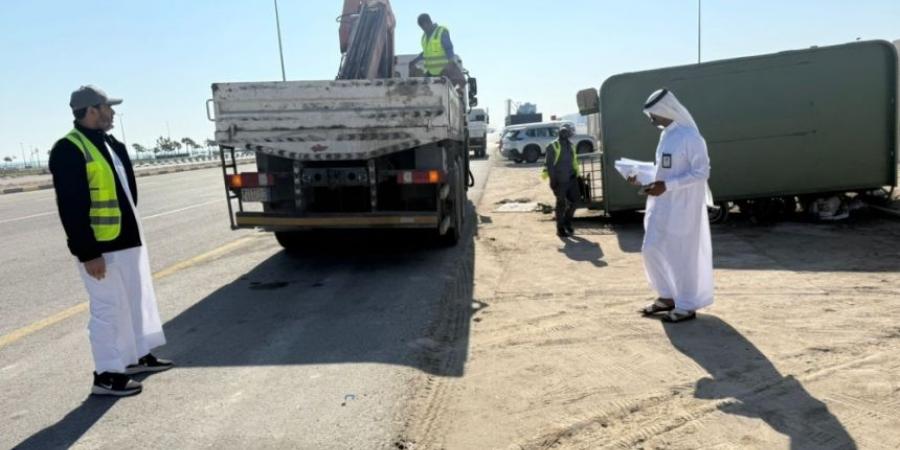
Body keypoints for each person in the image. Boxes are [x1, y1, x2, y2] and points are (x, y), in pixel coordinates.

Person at [49, 85, 173, 396]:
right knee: (107, 309)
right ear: (92, 110)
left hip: (128, 240)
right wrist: (87, 252)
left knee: (133, 300)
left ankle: (134, 357)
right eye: (108, 107)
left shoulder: (110, 143)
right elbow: (71, 206)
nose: (113, 112)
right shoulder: (69, 148)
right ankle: (106, 373)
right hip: (100, 247)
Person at [635, 88, 714, 323]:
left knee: (682, 255)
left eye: (653, 115)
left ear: (665, 110)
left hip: (683, 207)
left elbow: (702, 172)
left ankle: (687, 305)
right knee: (651, 249)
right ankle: (667, 296)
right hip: (662, 204)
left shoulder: (691, 137)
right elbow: (663, 170)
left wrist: (668, 186)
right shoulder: (665, 136)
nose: (652, 120)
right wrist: (640, 176)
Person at [542, 123, 580, 237]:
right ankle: (560, 228)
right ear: (560, 132)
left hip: (572, 179)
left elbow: (574, 161)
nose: (565, 133)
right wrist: (553, 181)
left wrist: (577, 175)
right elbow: (549, 165)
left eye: (567, 132)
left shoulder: (571, 145)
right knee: (561, 204)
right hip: (560, 181)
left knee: (576, 201)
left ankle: (567, 222)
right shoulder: (553, 146)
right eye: (563, 131)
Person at [412, 13, 466, 93]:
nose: (424, 29)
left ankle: (458, 91)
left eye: (425, 26)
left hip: (444, 70)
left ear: (430, 22)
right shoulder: (424, 37)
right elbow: (426, 53)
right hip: (432, 73)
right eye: (422, 27)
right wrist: (415, 60)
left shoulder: (441, 32)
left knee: (459, 80)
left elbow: (449, 48)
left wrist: (450, 63)